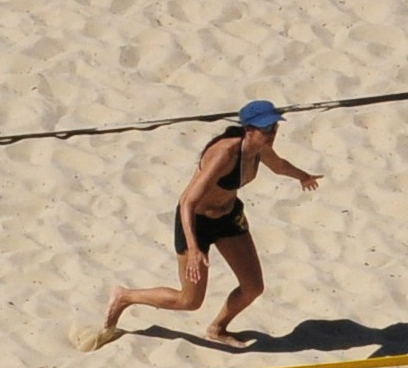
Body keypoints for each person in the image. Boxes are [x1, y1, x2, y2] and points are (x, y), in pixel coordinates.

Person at [84, 101, 320, 350]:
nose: (272, 133)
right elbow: (187, 201)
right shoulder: (225, 153)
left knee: (253, 287)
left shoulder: (259, 148)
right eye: (266, 128)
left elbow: (279, 165)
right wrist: (194, 249)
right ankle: (125, 296)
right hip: (196, 223)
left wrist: (302, 176)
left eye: (274, 127)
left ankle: (217, 328)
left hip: (228, 218)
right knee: (190, 301)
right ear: (248, 129)